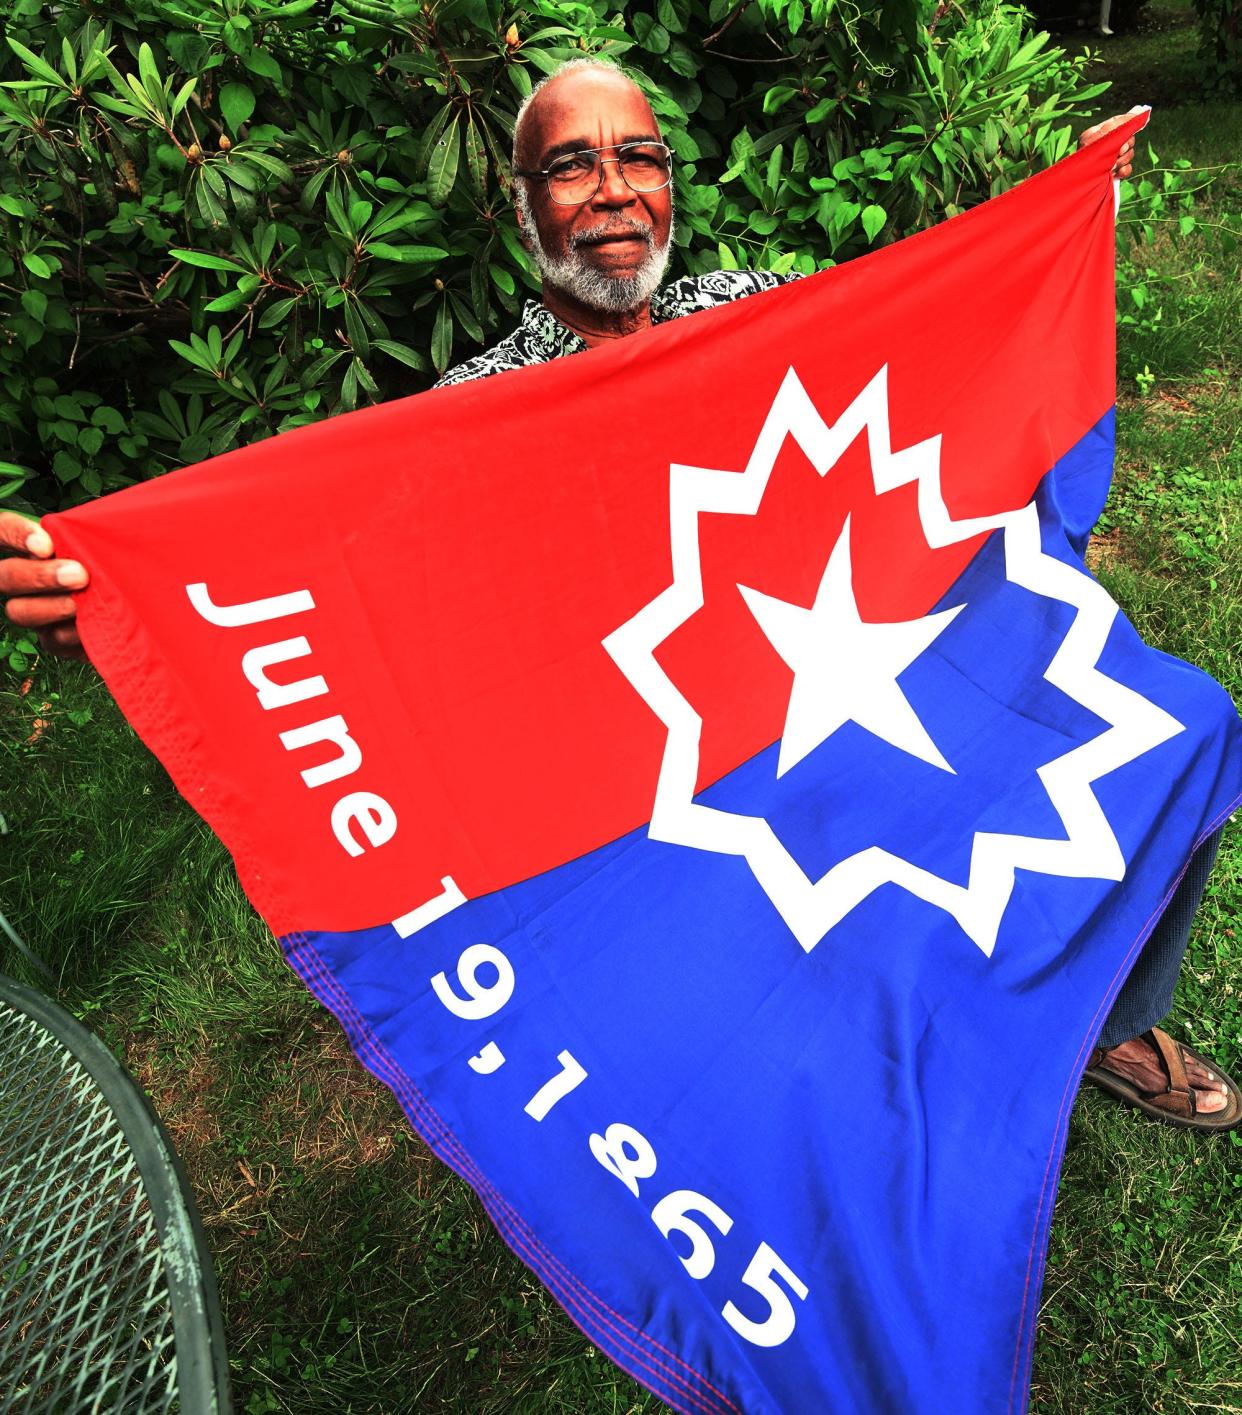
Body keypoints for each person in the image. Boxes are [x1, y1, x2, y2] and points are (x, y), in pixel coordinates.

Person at [1, 60, 1236, 1128]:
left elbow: (930, 344)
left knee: (1189, 730)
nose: (612, 189)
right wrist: (111, 601)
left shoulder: (753, 313)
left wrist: (1051, 219)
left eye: (637, 157)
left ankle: (1106, 1015)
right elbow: (336, 586)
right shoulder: (472, 419)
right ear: (525, 203)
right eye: (572, 165)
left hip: (851, 667)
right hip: (659, 775)